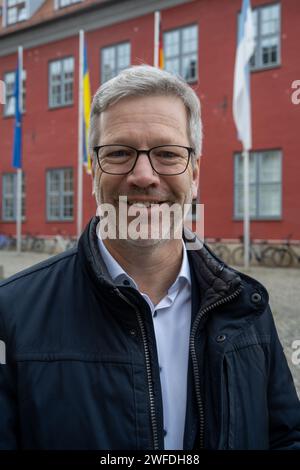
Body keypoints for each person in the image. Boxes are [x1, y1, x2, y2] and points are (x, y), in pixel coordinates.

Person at [0, 65, 300, 451]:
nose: (143, 175)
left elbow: (285, 438)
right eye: (120, 152)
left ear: (194, 172)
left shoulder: (247, 309)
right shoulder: (11, 314)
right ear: (93, 170)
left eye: (167, 153)